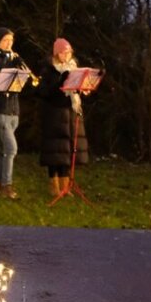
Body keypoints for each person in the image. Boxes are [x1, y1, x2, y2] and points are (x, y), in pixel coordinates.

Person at [38, 38, 88, 196]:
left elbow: (77, 91)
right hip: (55, 114)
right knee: (55, 151)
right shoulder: (49, 70)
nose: (66, 55)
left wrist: (82, 89)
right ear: (56, 54)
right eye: (62, 52)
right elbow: (44, 93)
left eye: (68, 52)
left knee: (67, 150)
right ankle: (54, 184)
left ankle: (66, 185)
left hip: (71, 112)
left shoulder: (75, 68)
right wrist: (61, 82)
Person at [0, 27, 22, 199]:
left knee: (0, 147)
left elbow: (19, 84)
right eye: (5, 40)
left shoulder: (13, 56)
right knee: (11, 148)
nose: (9, 43)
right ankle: (6, 184)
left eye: (11, 40)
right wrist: (11, 65)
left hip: (13, 109)